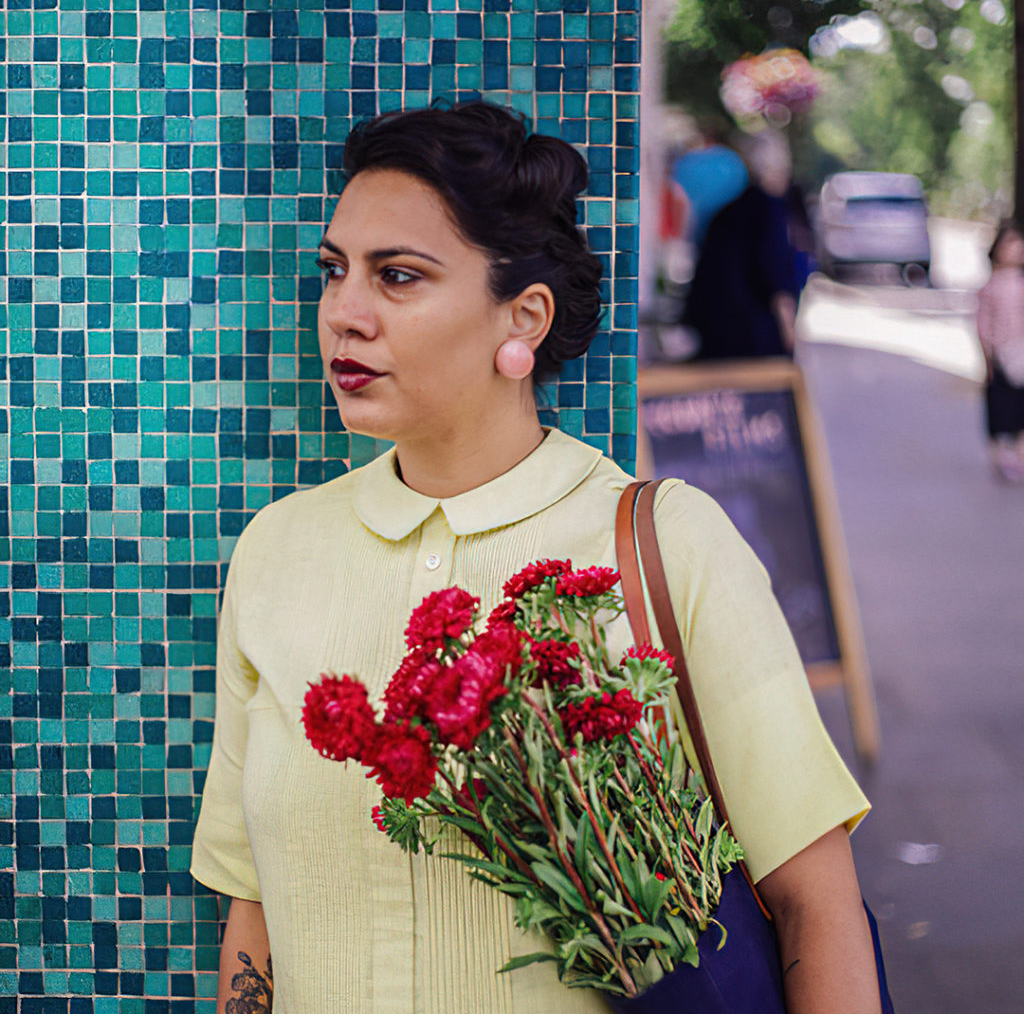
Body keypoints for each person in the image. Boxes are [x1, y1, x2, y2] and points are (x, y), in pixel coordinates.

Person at [190, 101, 881, 1013]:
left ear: (523, 318)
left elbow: (815, 904)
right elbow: (254, 913)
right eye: (335, 270)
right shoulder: (278, 552)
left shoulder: (663, 544)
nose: (344, 313)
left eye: (397, 276)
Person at [682, 131, 800, 362]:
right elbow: (773, 272)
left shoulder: (730, 209)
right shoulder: (769, 209)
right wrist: (788, 328)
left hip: (714, 327)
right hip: (751, 332)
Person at [976, 220, 1024, 482]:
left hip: (1021, 356)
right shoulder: (991, 286)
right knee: (1001, 407)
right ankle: (1001, 456)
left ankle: (1019, 454)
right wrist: (989, 358)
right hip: (1002, 357)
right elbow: (983, 326)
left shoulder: (1020, 283)